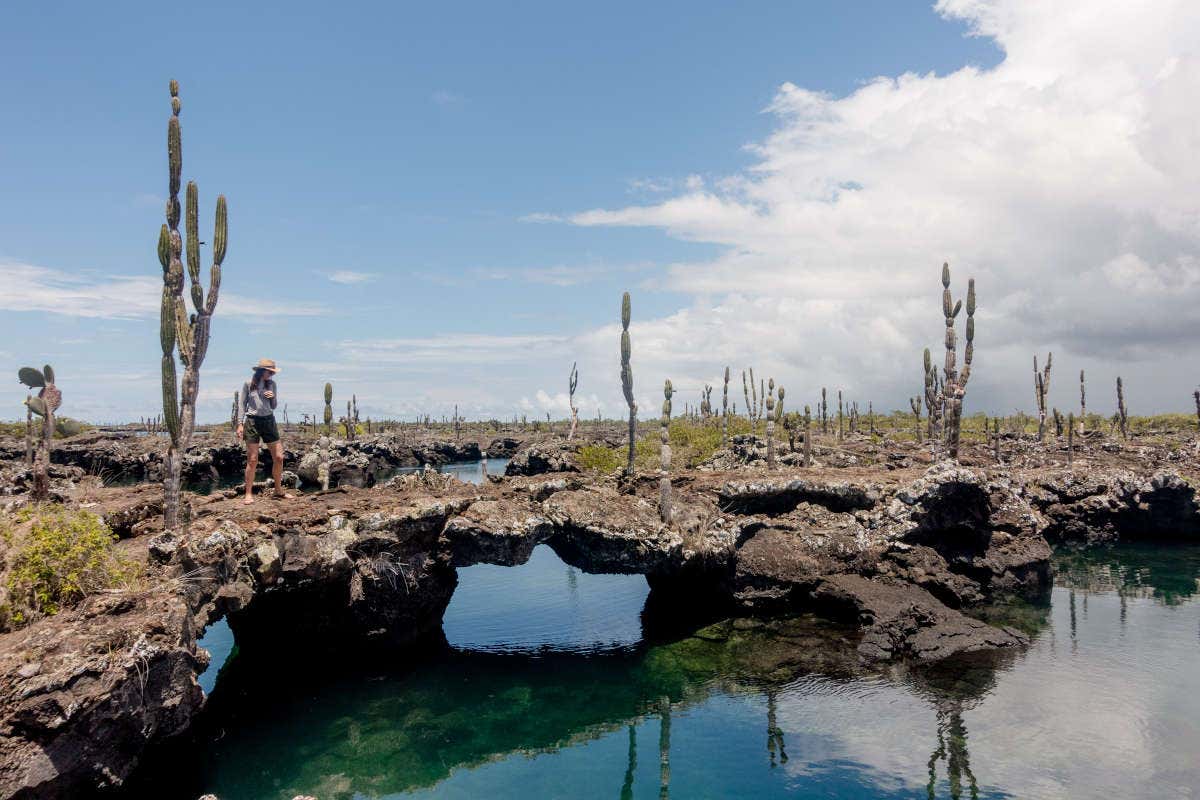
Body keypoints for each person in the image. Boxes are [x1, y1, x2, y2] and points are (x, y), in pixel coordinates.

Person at [236, 358, 293, 504]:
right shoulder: (248, 384)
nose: (272, 375)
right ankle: (248, 494)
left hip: (269, 421)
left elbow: (273, 406)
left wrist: (273, 397)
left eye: (273, 372)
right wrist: (239, 424)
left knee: (279, 457)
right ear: (262, 371)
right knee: (253, 459)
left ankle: (278, 490)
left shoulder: (272, 384)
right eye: (270, 372)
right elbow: (242, 405)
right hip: (252, 422)